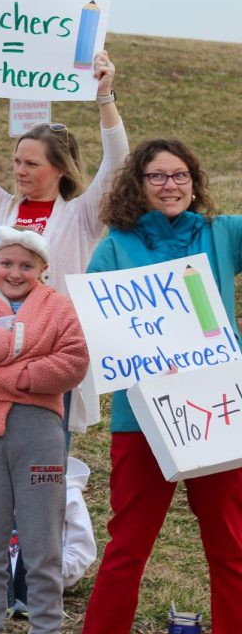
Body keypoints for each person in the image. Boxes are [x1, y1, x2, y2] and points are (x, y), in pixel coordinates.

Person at [0, 42, 127, 610]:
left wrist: (105, 95)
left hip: (46, 377)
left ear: (60, 169)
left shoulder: (83, 216)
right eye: (16, 159)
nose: (19, 169)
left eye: (31, 162)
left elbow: (117, 162)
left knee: (40, 486)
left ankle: (36, 595)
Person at [80, 139, 242, 633]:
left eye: (180, 176)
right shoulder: (115, 246)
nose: (170, 185)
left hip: (218, 413)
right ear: (139, 184)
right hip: (144, 417)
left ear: (194, 183)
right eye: (157, 176)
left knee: (232, 547)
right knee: (127, 546)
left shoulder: (222, 233)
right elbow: (93, 324)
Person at [0, 225, 89, 634]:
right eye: (7, 263)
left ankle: (46, 625)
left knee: (42, 542)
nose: (15, 272)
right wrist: (27, 343)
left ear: (43, 268)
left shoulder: (60, 308)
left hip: (40, 436)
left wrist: (7, 376)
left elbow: (73, 364)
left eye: (26, 265)